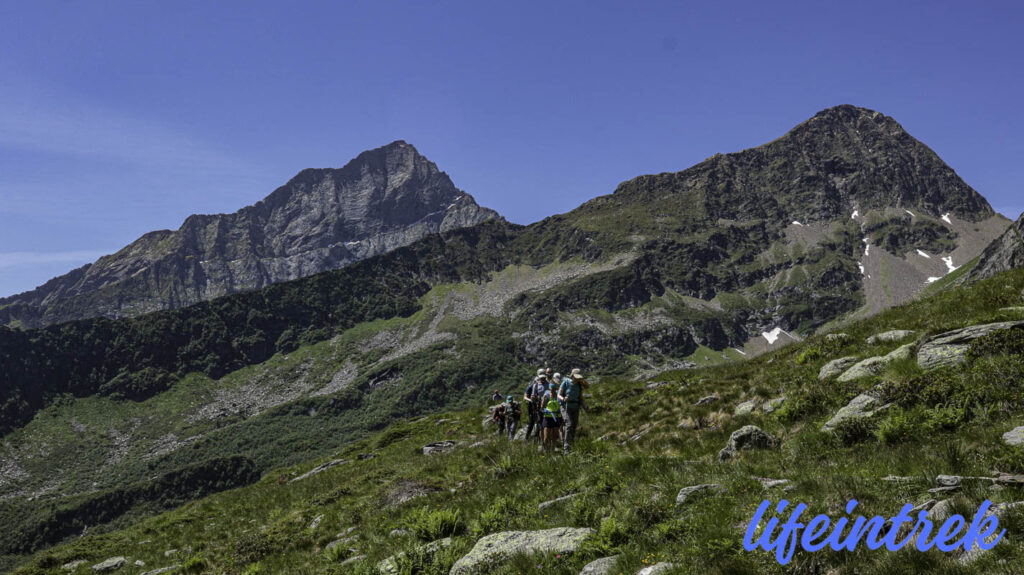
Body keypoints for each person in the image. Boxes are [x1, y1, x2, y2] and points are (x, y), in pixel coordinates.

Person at [558, 368, 589, 453]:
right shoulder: (566, 382)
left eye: (579, 378)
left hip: (575, 406)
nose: (578, 379)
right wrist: (564, 399)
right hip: (565, 406)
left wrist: (585, 407)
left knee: (574, 426)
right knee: (569, 425)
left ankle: (571, 444)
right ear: (572, 376)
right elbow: (559, 395)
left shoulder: (579, 385)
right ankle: (566, 448)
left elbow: (581, 399)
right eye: (576, 377)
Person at [523, 368, 548, 441]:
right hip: (533, 406)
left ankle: (537, 437)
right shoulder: (531, 386)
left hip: (539, 405)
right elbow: (525, 397)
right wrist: (531, 400)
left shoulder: (546, 384)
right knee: (532, 422)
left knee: (540, 422)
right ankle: (527, 437)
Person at [540, 382, 564, 450]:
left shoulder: (558, 395)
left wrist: (562, 417)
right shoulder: (546, 395)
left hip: (556, 417)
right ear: (549, 389)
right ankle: (545, 449)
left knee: (554, 436)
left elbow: (561, 406)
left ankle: (552, 450)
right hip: (547, 417)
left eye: (553, 389)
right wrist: (544, 409)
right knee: (546, 435)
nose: (552, 391)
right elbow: (542, 406)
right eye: (551, 389)